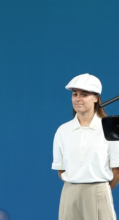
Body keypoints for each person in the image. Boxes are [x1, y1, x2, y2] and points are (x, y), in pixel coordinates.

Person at [52, 74, 119, 220]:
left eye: (84, 94)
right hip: (69, 193)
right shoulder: (63, 130)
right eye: (75, 94)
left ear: (96, 98)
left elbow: (116, 171)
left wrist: (99, 191)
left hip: (98, 191)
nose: (77, 98)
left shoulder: (109, 128)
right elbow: (61, 168)